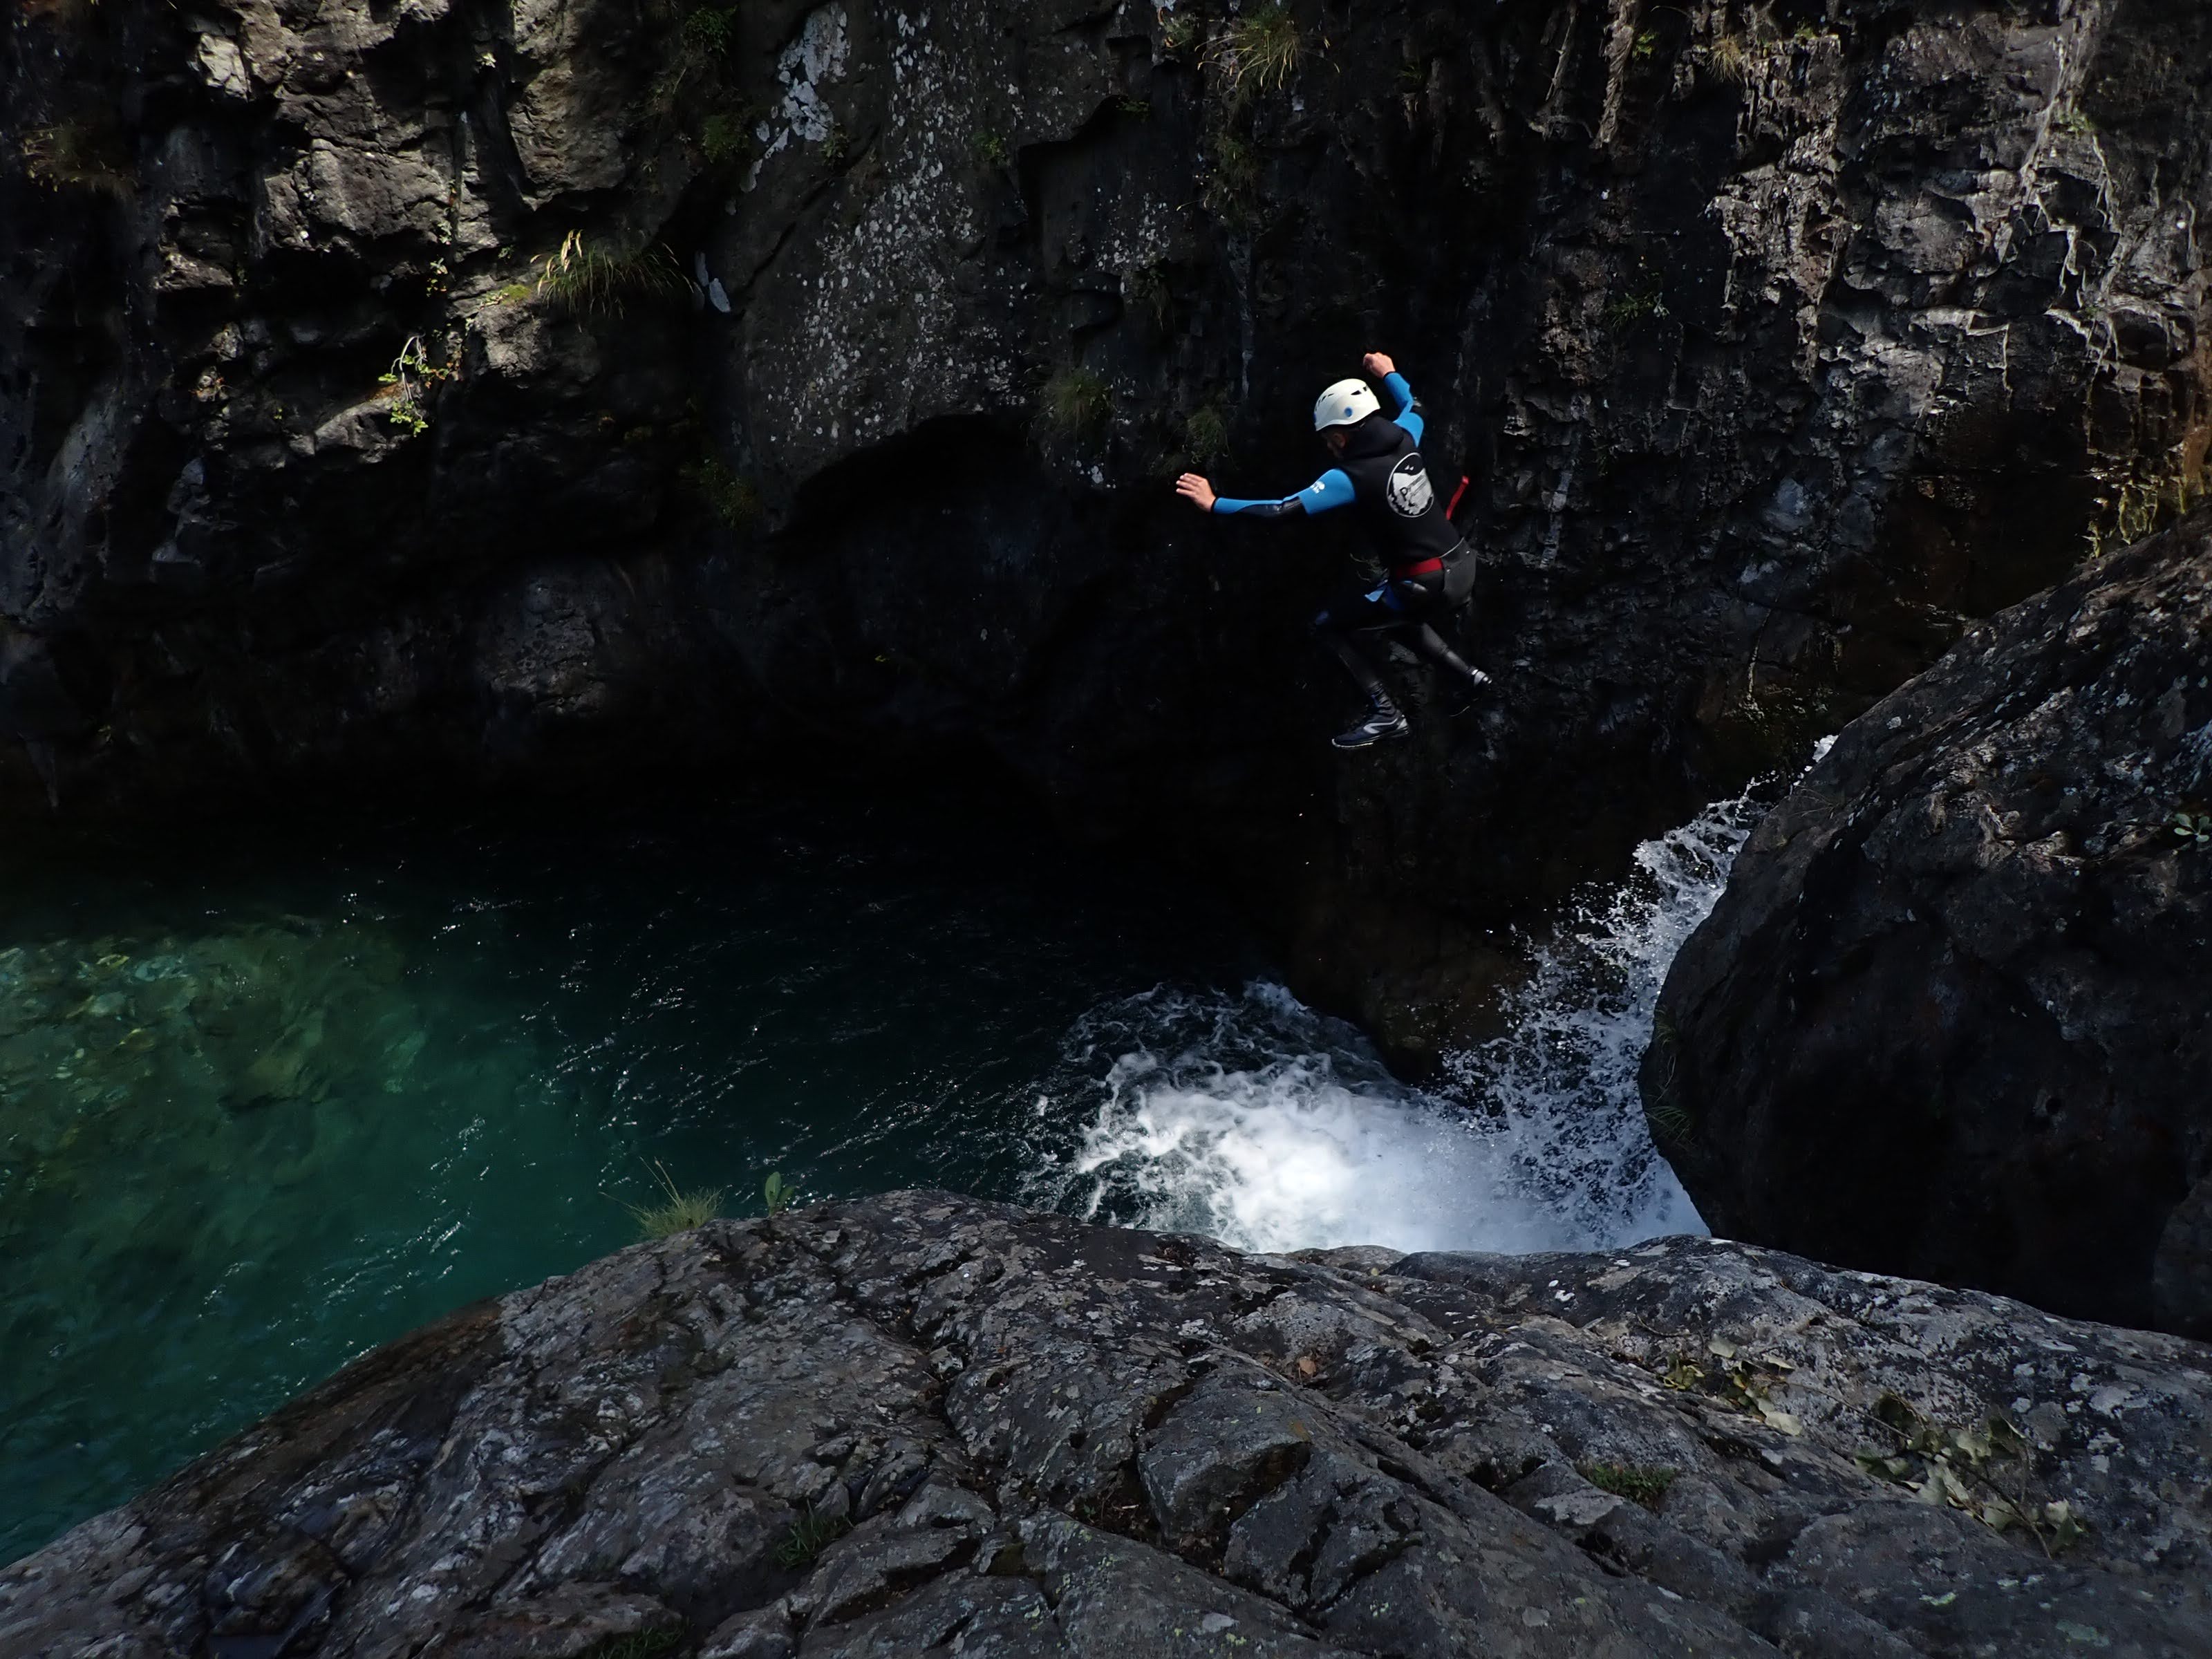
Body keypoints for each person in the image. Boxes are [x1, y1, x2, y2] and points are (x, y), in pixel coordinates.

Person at [1174, 352, 1490, 749]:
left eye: (1328, 439)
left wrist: (1214, 503)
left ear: (1341, 436)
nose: (1328, 446)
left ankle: (1385, 714)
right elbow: (1415, 404)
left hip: (1427, 583)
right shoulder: (1406, 434)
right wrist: (1389, 373)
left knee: (1328, 625)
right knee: (1394, 614)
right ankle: (1469, 677)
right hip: (1461, 566)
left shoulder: (1350, 477)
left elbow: (1281, 510)